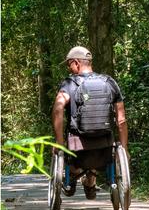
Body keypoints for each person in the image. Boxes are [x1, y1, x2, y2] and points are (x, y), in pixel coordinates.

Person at [52, 46, 128, 199]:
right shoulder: (109, 82)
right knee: (98, 159)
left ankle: (74, 178)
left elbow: (58, 109)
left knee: (73, 161)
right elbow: (121, 119)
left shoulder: (69, 84)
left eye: (69, 64)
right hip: (105, 144)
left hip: (77, 146)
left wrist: (59, 143)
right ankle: (91, 180)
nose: (69, 68)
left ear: (76, 63)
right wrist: (124, 148)